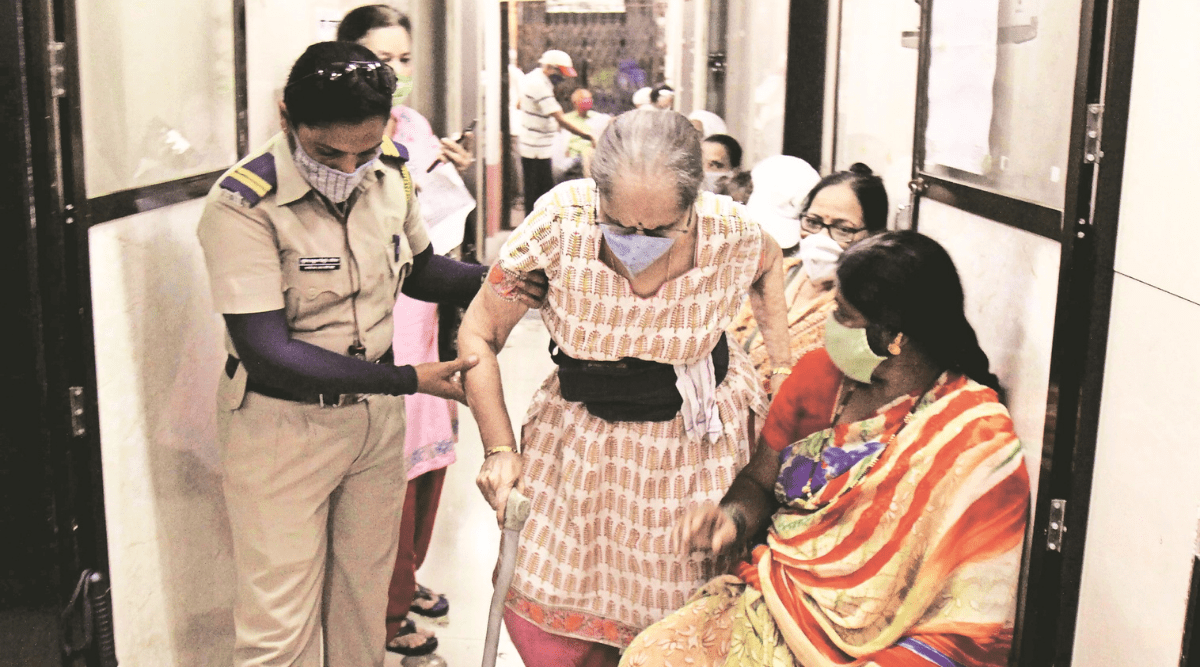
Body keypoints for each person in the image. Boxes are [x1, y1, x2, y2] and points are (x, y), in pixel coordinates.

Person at [195, 42, 501, 667]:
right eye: (328, 152)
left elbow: (420, 270)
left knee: (362, 602)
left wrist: (506, 279)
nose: (350, 167)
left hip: (373, 424)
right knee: (279, 627)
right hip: (282, 429)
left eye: (365, 149)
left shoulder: (390, 170)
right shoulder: (242, 205)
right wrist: (410, 378)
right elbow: (268, 352)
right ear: (287, 117)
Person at [458, 109, 793, 667]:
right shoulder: (560, 223)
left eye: (659, 229)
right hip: (579, 442)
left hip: (691, 449)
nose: (638, 241)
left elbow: (770, 261)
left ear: (693, 203)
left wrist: (780, 366)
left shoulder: (730, 232)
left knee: (675, 623)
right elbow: (479, 332)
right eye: (618, 224)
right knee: (548, 600)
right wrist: (498, 448)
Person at [621, 230, 1031, 667]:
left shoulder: (975, 437)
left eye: (843, 314)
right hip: (777, 599)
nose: (829, 323)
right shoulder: (819, 378)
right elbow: (759, 482)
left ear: (893, 336)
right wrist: (732, 519)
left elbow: (969, 615)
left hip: (890, 645)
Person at [336, 4, 494, 657]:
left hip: (424, 310)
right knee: (390, 466)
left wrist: (447, 164)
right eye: (381, 59)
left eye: (404, 59)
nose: (395, 72)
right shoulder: (342, 138)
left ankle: (405, 578)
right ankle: (386, 606)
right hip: (382, 318)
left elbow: (433, 228)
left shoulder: (416, 127)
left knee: (431, 453)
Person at [730, 161, 887, 389]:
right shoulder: (778, 273)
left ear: (874, 236)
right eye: (813, 222)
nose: (821, 237)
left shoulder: (863, 312)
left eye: (843, 229)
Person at [519, 49, 595, 211]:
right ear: (549, 68)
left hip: (537, 146)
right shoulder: (538, 85)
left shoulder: (534, 78)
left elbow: (520, 104)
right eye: (560, 73)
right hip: (536, 149)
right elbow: (560, 118)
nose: (562, 78)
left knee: (539, 194)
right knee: (539, 196)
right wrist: (587, 136)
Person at [554, 88, 612, 181]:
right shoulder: (565, 119)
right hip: (573, 158)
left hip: (593, 156)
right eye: (583, 99)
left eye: (589, 99)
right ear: (575, 102)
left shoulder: (598, 118)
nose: (587, 102)